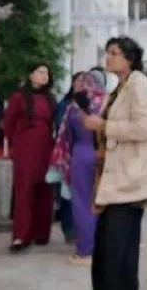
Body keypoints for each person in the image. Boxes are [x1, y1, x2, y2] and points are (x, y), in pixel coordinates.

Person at [83, 37, 147, 290]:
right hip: (116, 180)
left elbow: (144, 128)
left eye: (114, 53)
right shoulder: (122, 86)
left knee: (116, 257)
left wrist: (104, 125)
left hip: (129, 181)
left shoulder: (140, 86)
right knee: (110, 255)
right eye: (107, 52)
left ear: (130, 58)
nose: (108, 57)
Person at [51, 70, 106, 266]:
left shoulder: (73, 107)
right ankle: (102, 248)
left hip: (81, 156)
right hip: (104, 157)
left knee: (82, 205)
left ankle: (85, 251)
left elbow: (66, 136)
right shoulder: (106, 104)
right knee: (104, 204)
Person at [3, 63, 57, 252]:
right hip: (25, 148)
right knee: (24, 190)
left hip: (46, 147)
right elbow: (8, 124)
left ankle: (41, 233)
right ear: (30, 75)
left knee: (44, 188)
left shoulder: (50, 98)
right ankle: (21, 236)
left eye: (47, 73)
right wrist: (17, 145)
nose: (45, 76)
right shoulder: (18, 97)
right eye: (40, 72)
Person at [53, 71, 85, 244]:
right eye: (79, 81)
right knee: (67, 193)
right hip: (68, 153)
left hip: (85, 154)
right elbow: (61, 129)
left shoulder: (92, 104)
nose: (82, 85)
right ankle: (69, 228)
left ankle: (81, 228)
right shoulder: (65, 105)